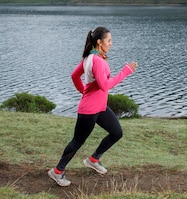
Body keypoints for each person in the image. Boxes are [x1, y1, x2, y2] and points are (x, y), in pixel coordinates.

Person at [48, 26, 138, 187]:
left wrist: (83, 90)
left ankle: (93, 159)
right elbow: (105, 85)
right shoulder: (97, 61)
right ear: (99, 41)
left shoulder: (91, 57)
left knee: (116, 132)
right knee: (77, 141)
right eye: (109, 40)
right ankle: (57, 172)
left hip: (100, 107)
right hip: (89, 110)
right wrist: (126, 71)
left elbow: (75, 75)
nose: (111, 43)